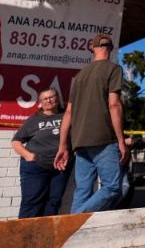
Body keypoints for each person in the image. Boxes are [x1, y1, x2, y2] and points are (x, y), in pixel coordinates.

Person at [54, 33, 127, 213]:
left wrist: (63, 145)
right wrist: (121, 140)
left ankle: (71, 233)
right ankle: (74, 220)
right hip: (103, 139)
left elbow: (69, 112)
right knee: (112, 187)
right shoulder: (113, 69)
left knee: (82, 191)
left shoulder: (80, 76)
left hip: (79, 141)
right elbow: (114, 105)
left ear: (92, 49)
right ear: (110, 49)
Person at [11, 88, 72, 217]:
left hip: (60, 168)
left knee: (54, 202)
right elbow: (16, 141)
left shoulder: (66, 115)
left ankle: (46, 234)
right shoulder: (34, 119)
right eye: (45, 98)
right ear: (41, 102)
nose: (49, 100)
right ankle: (25, 235)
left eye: (51, 97)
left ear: (57, 98)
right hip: (36, 167)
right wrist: (29, 156)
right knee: (32, 203)